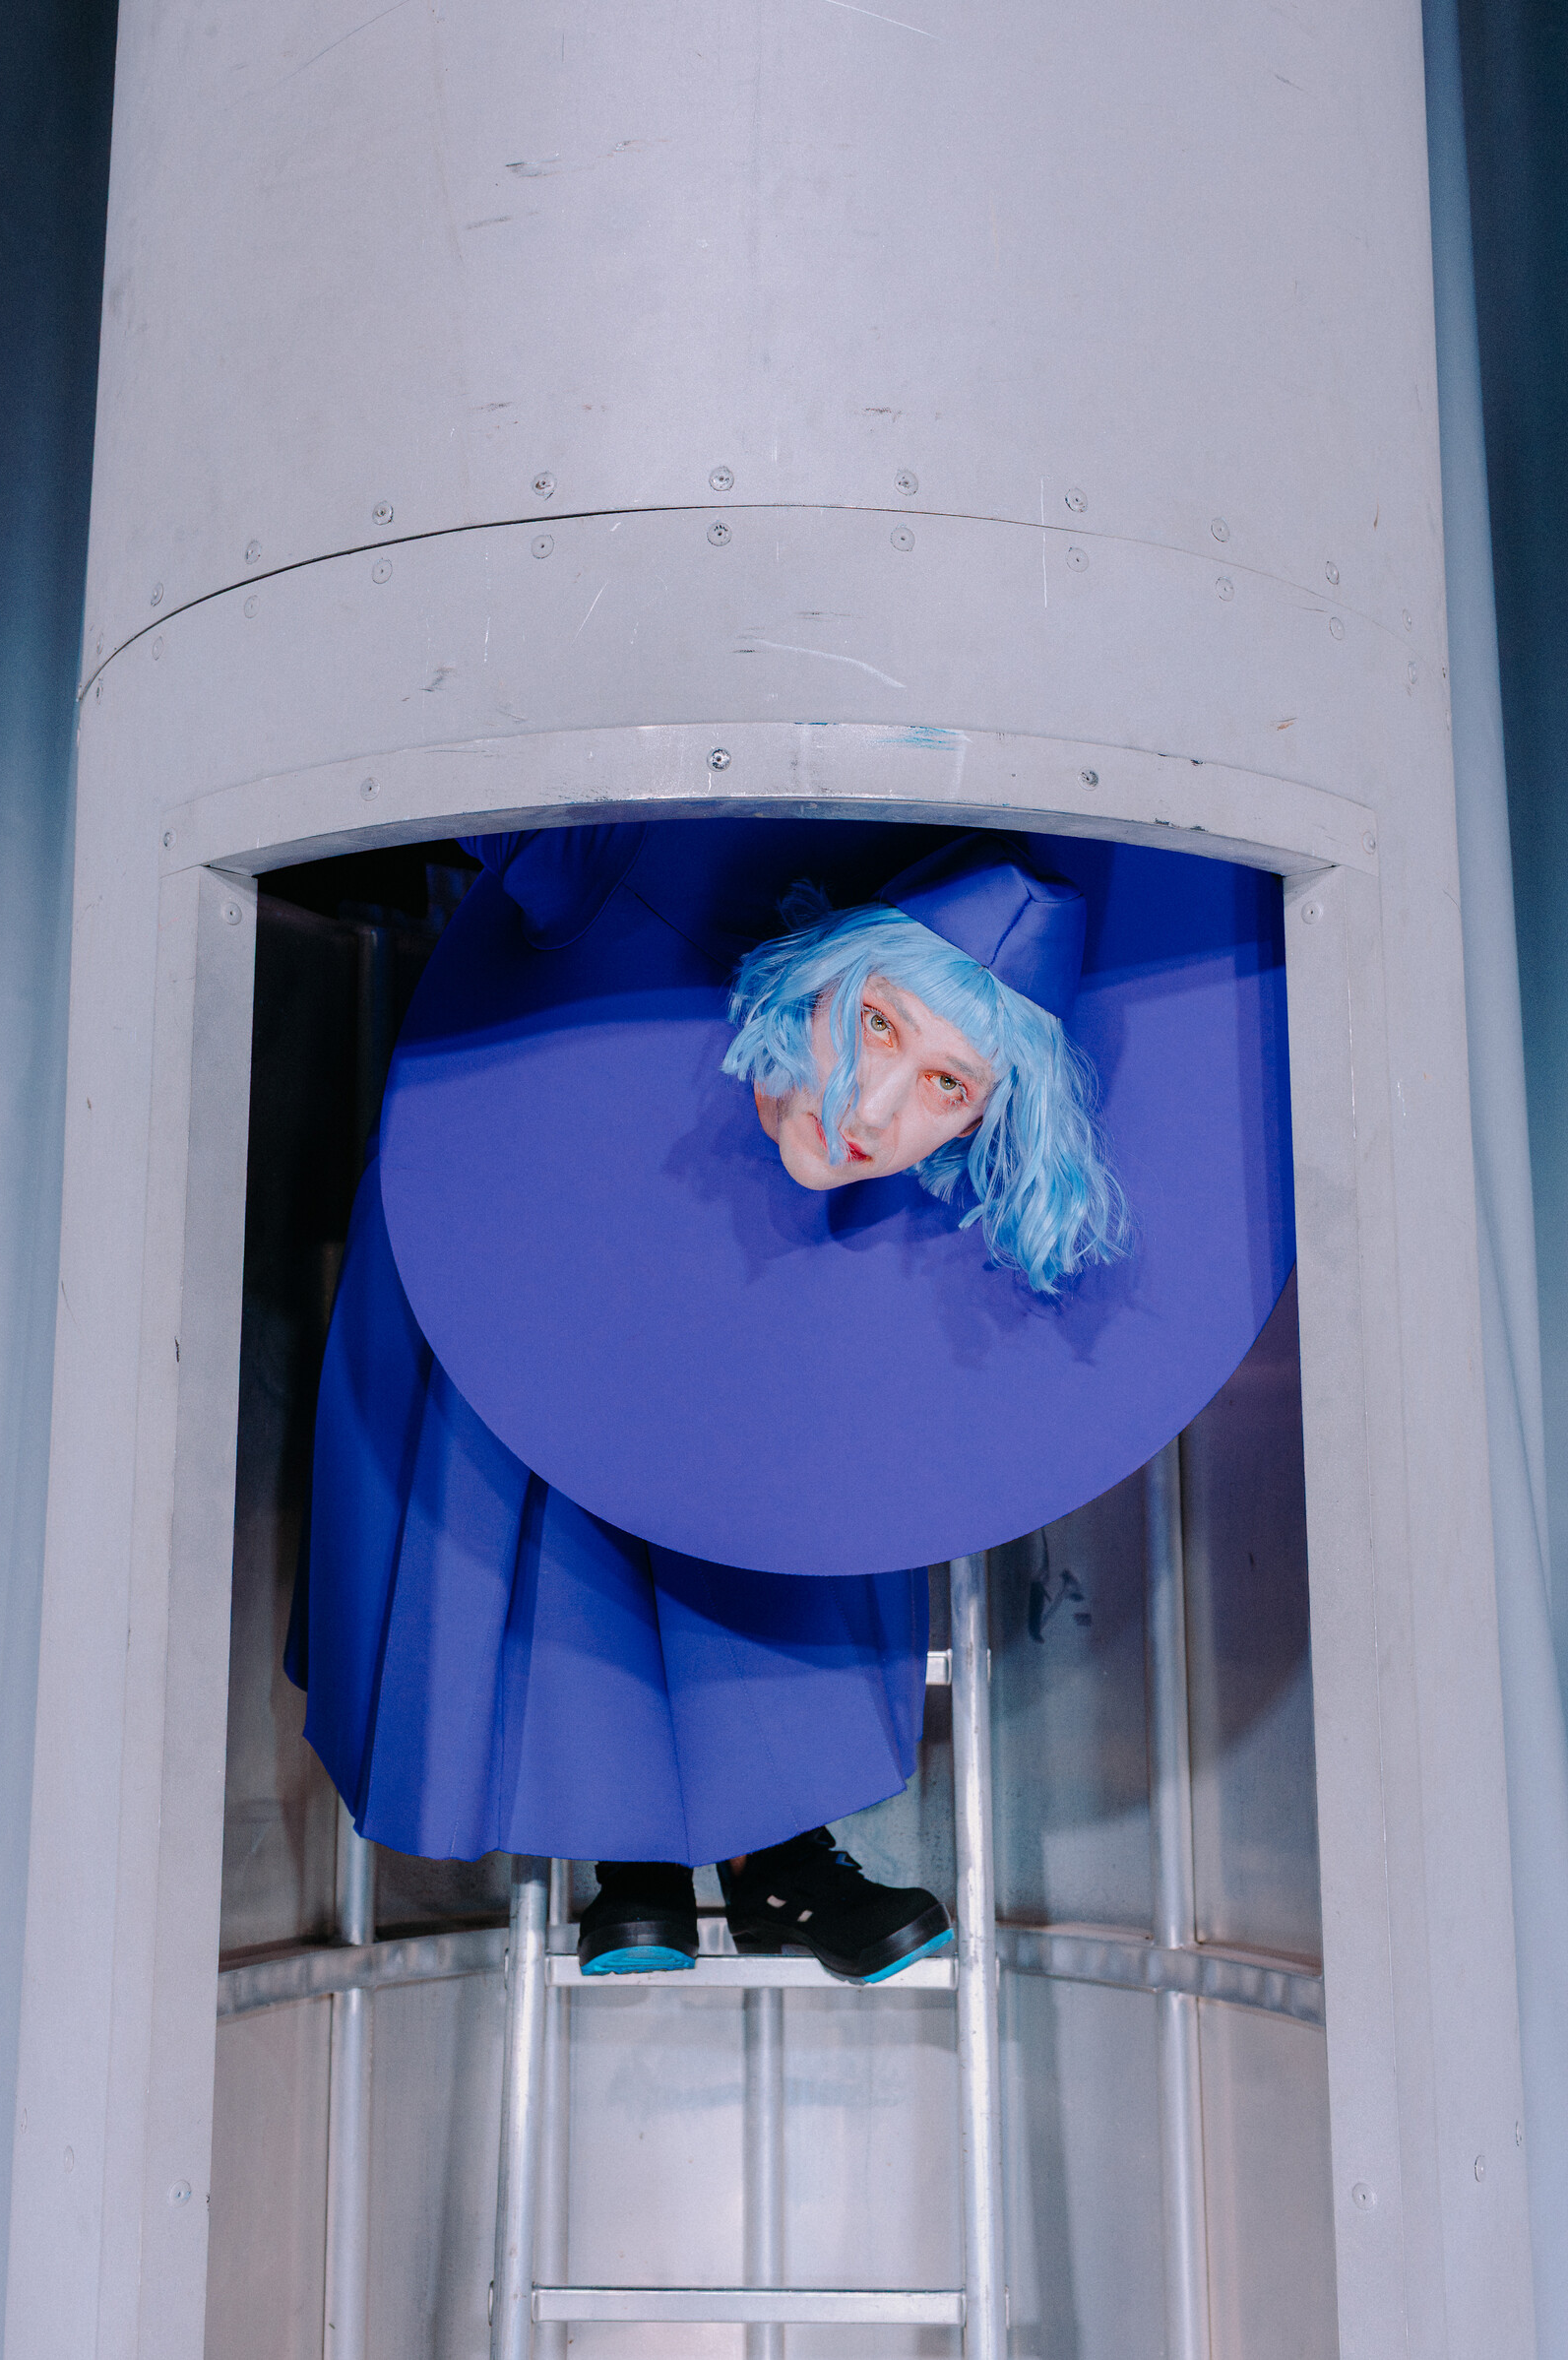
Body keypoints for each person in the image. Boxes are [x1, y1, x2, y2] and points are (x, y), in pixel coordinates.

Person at [287, 816, 1292, 1980]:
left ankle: (775, 1859)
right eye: (875, 1023)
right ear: (819, 972)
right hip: (519, 1293)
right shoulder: (629, 895)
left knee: (785, 1483)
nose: (870, 1111)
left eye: (946, 1084)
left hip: (755, 1382)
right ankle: (636, 1864)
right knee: (552, 1474)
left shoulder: (892, 1233)